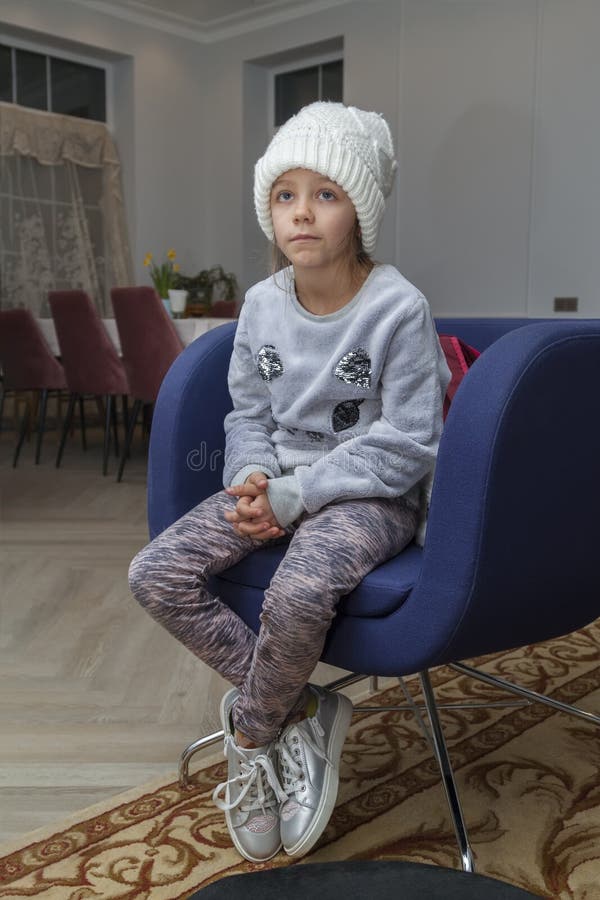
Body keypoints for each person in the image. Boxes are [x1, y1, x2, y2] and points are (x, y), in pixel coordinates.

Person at [128, 101, 451, 864]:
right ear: (269, 210)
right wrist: (251, 477)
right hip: (273, 482)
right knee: (156, 574)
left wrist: (298, 497)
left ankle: (252, 736)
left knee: (299, 592)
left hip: (373, 495)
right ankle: (300, 703)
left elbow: (409, 442)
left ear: (359, 213)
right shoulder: (261, 306)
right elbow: (249, 413)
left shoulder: (399, 308)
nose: (302, 213)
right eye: (285, 195)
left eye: (326, 195)